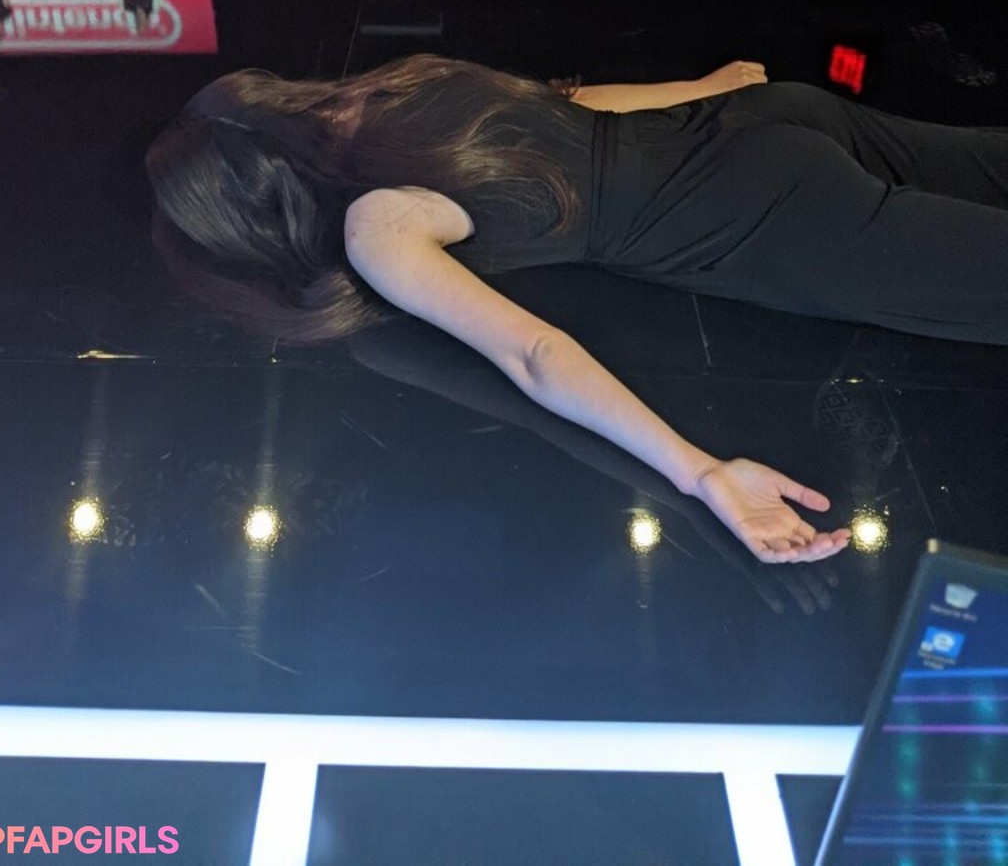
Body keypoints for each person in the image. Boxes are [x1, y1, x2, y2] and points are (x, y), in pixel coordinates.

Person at [146, 55, 1008, 567]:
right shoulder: (397, 86)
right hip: (760, 120)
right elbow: (574, 105)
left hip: (764, 214)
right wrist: (710, 86)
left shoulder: (377, 227)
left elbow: (536, 355)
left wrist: (699, 470)